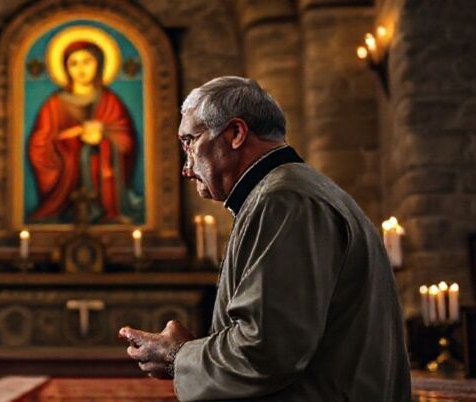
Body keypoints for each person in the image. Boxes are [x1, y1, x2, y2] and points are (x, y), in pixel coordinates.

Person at [119, 76, 411, 401]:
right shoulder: (291, 191)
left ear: (235, 134)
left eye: (190, 141)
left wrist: (179, 355)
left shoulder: (284, 201)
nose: (186, 168)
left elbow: (269, 351)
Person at [27, 41, 137, 223]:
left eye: (87, 61)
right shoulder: (54, 105)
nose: (81, 69)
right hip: (65, 182)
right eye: (74, 63)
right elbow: (39, 145)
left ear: (99, 64)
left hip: (101, 180)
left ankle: (107, 212)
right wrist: (72, 138)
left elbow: (126, 140)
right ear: (65, 68)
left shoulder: (110, 101)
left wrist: (104, 138)